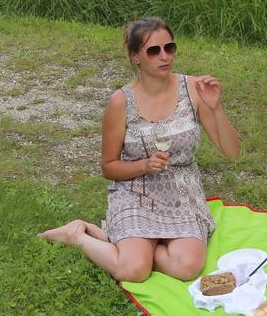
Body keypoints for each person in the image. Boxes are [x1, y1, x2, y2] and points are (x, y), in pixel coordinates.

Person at [40, 17, 240, 282]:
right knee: (133, 271)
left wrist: (215, 108)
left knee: (187, 267)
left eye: (170, 48)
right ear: (135, 57)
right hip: (136, 190)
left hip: (182, 189)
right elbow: (109, 166)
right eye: (153, 51)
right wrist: (144, 165)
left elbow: (232, 151)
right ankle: (77, 235)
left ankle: (133, 244)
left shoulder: (193, 89)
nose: (164, 56)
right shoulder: (121, 101)